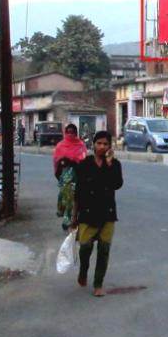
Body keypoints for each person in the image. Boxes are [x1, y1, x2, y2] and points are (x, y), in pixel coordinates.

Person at [72, 131, 123, 297]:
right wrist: (74, 218)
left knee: (104, 249)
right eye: (99, 143)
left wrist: (109, 164)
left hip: (107, 213)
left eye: (105, 144)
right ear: (93, 145)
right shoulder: (84, 165)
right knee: (85, 248)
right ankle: (83, 271)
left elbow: (117, 184)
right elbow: (77, 193)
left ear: (110, 146)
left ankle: (98, 284)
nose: (102, 147)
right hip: (87, 213)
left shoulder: (114, 165)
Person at [54, 124, 87, 232]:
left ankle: (70, 221)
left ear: (76, 133)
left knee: (76, 199)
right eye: (68, 132)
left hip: (79, 175)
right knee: (67, 198)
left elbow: (84, 159)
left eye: (72, 132)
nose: (70, 134)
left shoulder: (81, 145)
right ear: (65, 133)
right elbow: (57, 162)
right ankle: (66, 219)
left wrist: (75, 162)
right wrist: (60, 175)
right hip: (66, 177)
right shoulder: (60, 145)